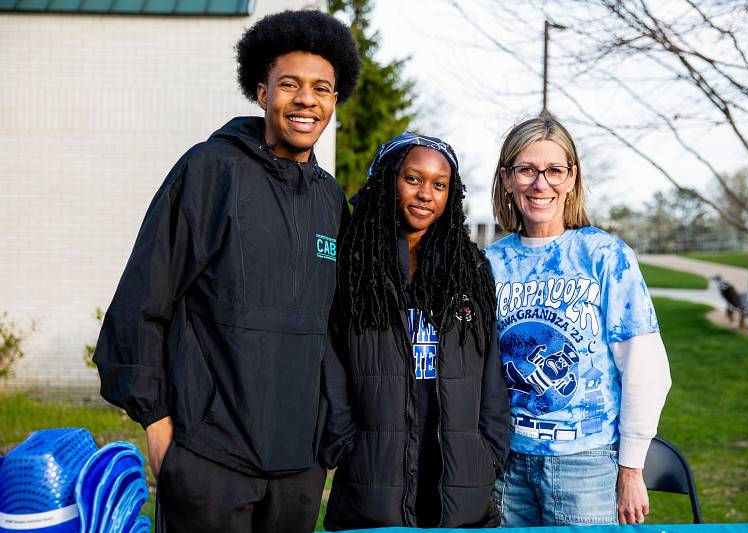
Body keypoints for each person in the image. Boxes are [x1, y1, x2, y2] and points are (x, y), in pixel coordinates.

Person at [92, 10, 359, 533]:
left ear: (334, 100)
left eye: (321, 88)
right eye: (290, 84)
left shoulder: (330, 200)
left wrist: (327, 439)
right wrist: (159, 428)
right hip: (208, 458)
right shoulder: (209, 170)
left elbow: (334, 329)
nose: (306, 99)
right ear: (262, 92)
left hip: (298, 469)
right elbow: (143, 301)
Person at [485, 114, 672, 527]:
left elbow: (646, 368)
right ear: (507, 177)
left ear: (571, 179)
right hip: (505, 462)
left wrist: (631, 468)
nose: (541, 184)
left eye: (554, 170)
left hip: (586, 462)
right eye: (527, 170)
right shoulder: (490, 263)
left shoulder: (605, 256)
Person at [320, 132, 509, 530]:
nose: (426, 194)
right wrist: (347, 443)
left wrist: (487, 451)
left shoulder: (469, 270)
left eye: (439, 184)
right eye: (413, 179)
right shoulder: (355, 266)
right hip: (374, 470)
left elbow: (490, 367)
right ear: (387, 180)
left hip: (457, 471)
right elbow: (330, 358)